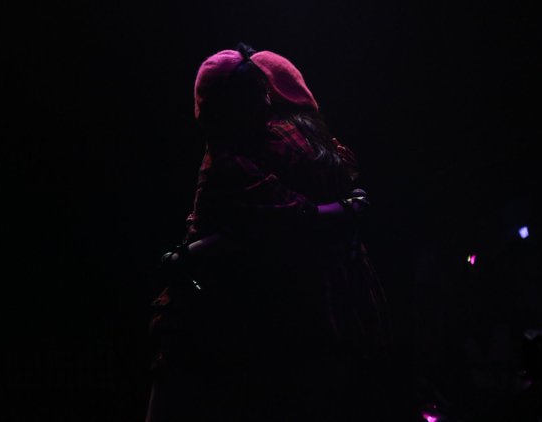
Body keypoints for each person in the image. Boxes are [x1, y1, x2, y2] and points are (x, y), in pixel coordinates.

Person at [146, 44, 388, 422]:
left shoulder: (243, 150)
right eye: (257, 94)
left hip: (229, 310)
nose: (265, 102)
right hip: (288, 311)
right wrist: (349, 207)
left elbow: (271, 223)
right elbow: (288, 217)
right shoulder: (257, 154)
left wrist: (191, 251)